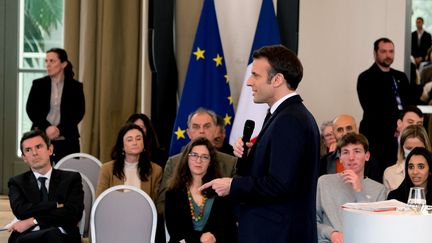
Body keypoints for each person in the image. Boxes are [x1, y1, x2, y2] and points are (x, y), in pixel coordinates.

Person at [200, 45, 320, 242]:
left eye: (255, 75)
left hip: (278, 235)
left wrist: (233, 185)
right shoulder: (285, 115)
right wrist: (251, 154)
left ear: (277, 79)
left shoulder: (289, 120)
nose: (249, 82)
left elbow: (279, 184)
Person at [357, 38, 431, 176]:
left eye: (391, 51)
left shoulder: (400, 76)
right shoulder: (366, 78)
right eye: (383, 51)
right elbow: (372, 109)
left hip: (402, 135)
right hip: (378, 138)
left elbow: (410, 101)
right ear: (375, 53)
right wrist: (397, 125)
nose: (388, 55)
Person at [8, 130, 84, 243]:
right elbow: (21, 211)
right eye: (28, 150)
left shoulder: (71, 178)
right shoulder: (17, 182)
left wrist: (33, 221)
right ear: (24, 157)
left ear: (50, 149)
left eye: (38, 147)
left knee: (52, 234)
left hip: (62, 236)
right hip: (27, 236)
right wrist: (55, 205)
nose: (34, 153)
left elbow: (73, 212)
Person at [157, 108, 237, 213]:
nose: (202, 131)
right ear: (189, 133)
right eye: (196, 126)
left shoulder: (231, 163)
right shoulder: (173, 162)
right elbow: (162, 204)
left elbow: (236, 202)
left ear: (215, 131)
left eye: (207, 126)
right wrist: (191, 221)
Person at [316, 133, 387, 243]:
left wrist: (359, 191)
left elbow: (375, 228)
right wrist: (331, 233)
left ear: (367, 156)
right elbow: (311, 221)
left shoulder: (379, 190)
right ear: (340, 157)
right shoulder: (324, 182)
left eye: (357, 151)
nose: (351, 157)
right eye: (345, 152)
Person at [165, 137, 237, 243]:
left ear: (210, 162)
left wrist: (214, 237)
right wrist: (200, 238)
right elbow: (175, 232)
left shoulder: (221, 192)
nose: (199, 160)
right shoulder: (173, 193)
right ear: (186, 158)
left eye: (205, 157)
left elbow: (229, 229)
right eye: (194, 155)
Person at [26, 48, 85, 163]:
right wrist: (47, 127)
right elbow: (31, 109)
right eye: (46, 61)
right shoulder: (38, 84)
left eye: (52, 61)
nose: (48, 65)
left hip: (67, 139)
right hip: (41, 138)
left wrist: (59, 130)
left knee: (67, 177)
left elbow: (79, 112)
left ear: (63, 64)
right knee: (40, 176)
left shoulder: (75, 87)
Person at [96, 123, 162, 203]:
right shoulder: (107, 169)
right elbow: (100, 201)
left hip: (143, 214)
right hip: (115, 213)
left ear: (144, 143)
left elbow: (157, 205)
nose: (135, 143)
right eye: (129, 140)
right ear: (122, 146)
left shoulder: (156, 170)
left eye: (138, 139)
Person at [319, 114, 381, 182]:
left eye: (349, 128)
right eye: (340, 130)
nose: (345, 133)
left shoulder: (371, 162)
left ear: (357, 130)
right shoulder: (323, 163)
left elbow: (375, 189)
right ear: (334, 133)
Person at [383, 124, 431, 191]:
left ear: (426, 147)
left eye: (418, 148)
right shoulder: (390, 173)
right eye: (409, 148)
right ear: (402, 148)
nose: (413, 152)